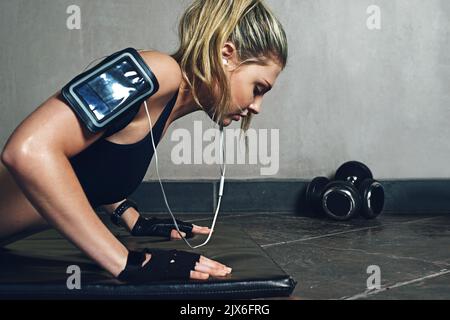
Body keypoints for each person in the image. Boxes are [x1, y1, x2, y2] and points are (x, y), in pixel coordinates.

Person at [0, 0, 288, 282]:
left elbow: (93, 161)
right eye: (258, 88)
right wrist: (125, 261)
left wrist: (130, 217)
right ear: (227, 54)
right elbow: (29, 150)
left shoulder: (167, 103)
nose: (257, 107)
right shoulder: (158, 71)